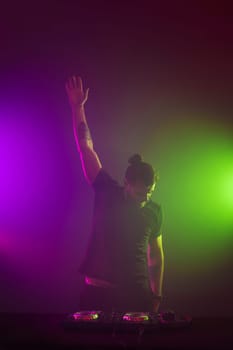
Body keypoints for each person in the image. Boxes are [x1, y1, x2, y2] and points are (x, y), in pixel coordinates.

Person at [66, 76, 164, 313]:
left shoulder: (154, 210)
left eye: (150, 193)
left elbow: (156, 255)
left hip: (136, 296)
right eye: (141, 193)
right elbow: (86, 147)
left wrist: (157, 294)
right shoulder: (107, 191)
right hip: (98, 294)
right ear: (126, 184)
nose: (146, 198)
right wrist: (78, 107)